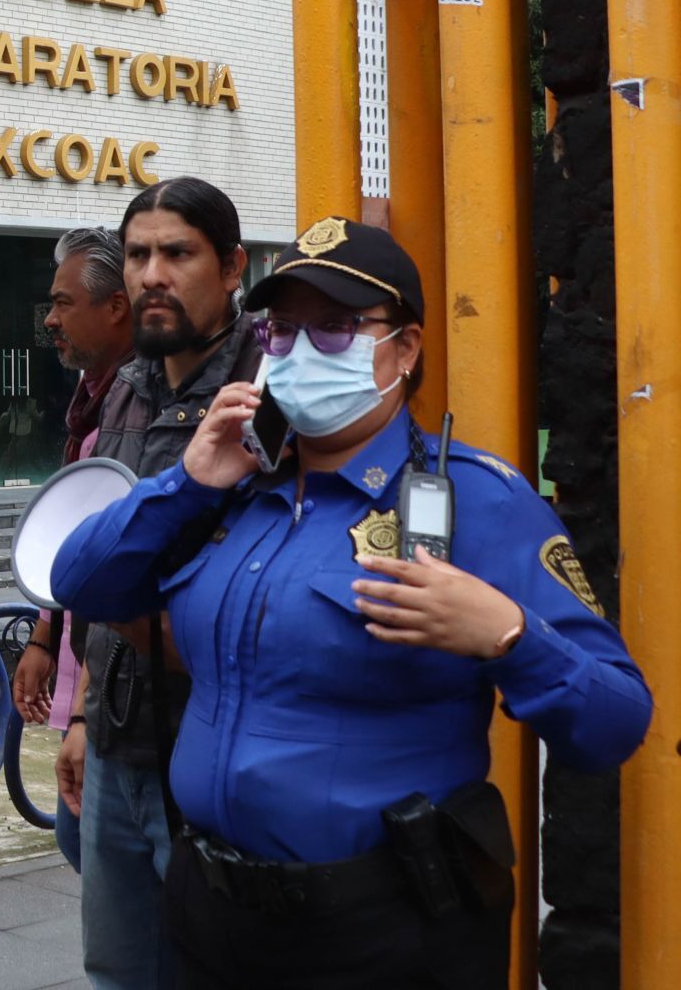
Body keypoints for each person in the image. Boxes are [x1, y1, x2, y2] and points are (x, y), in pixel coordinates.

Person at [53, 218, 651, 988]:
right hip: (209, 909)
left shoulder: (477, 500)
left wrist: (508, 634)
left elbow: (614, 722)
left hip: (378, 927)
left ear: (402, 350)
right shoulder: (237, 488)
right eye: (281, 331)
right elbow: (80, 583)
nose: (299, 353)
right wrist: (188, 481)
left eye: (335, 329)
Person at [70, 179, 260, 990]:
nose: (151, 274)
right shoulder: (126, 384)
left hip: (216, 751)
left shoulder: (266, 385)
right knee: (116, 970)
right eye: (139, 254)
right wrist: (82, 716)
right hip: (118, 746)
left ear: (232, 267)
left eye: (177, 253)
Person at [12, 225, 134, 874]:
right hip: (84, 670)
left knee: (92, 847)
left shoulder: (137, 408)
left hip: (110, 689)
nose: (50, 319)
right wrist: (40, 636)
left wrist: (87, 713)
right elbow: (74, 541)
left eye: (63, 303)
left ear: (116, 307)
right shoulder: (93, 402)